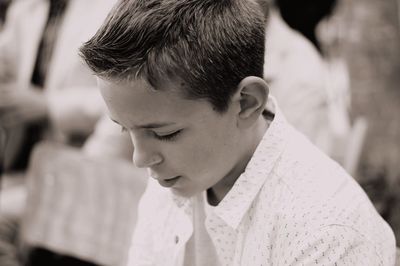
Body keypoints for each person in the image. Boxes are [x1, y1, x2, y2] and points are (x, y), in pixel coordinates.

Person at [80, 0, 396, 265]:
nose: (141, 159)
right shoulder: (177, 177)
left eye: (165, 134)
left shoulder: (326, 234)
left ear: (247, 103)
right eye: (125, 129)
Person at [0, 0, 115, 171]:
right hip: (19, 158)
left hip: (81, 155)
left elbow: (122, 99)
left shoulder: (111, 8)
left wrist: (48, 105)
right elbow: (8, 57)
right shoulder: (25, 8)